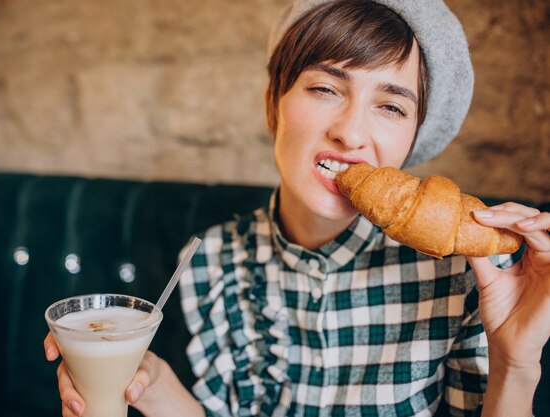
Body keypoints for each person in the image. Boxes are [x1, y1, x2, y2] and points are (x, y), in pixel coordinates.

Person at [44, 0, 550, 416]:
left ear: (413, 137)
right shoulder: (211, 259)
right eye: (325, 88)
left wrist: (516, 364)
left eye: (391, 106)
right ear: (274, 104)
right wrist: (147, 381)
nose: (350, 132)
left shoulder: (468, 276)